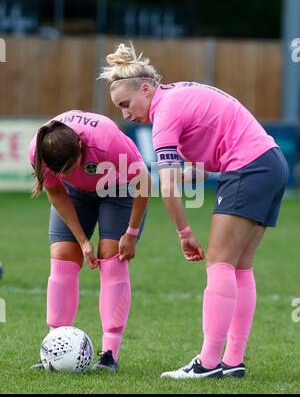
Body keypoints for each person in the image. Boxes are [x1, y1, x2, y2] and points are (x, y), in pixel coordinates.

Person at [99, 43, 289, 379]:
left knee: (219, 263)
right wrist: (185, 174)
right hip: (270, 163)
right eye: (120, 109)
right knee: (240, 267)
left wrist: (184, 234)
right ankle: (232, 361)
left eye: (126, 105)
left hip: (249, 168)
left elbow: (167, 185)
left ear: (146, 88)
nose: (125, 115)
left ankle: (208, 363)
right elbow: (199, 165)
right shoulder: (177, 95)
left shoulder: (165, 112)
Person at [29, 110, 150, 372]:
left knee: (111, 257)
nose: (65, 174)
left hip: (118, 188)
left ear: (81, 147)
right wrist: (82, 240)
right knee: (62, 256)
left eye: (70, 168)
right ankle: (54, 346)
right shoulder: (40, 150)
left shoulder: (108, 142)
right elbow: (56, 190)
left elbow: (144, 182)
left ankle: (109, 354)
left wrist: (131, 232)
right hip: (75, 195)